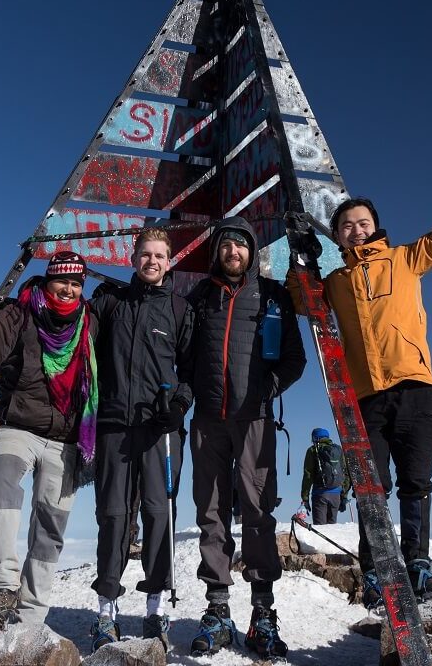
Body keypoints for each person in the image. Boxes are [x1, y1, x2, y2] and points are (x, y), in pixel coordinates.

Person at [287, 156, 432, 606]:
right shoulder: (335, 280)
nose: (355, 230)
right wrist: (302, 261)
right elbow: (304, 304)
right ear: (337, 234)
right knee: (372, 486)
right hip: (365, 396)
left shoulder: (404, 259)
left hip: (413, 387)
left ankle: (418, 562)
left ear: (375, 226)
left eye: (362, 222)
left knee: (416, 481)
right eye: (346, 225)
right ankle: (374, 570)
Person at [185, 217, 306, 659]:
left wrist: (269, 388)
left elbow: (295, 359)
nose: (232, 252)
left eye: (240, 246)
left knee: (258, 511)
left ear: (251, 253)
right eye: (226, 246)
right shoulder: (200, 299)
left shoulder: (271, 296)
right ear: (216, 252)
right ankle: (218, 609)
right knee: (211, 511)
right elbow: (182, 355)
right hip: (207, 421)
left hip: (254, 419)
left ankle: (262, 613)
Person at [0, 251, 99, 629]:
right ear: (48, 280)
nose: (68, 289)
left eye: (76, 283)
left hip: (67, 438)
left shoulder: (90, 323)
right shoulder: (19, 315)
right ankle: (2, 588)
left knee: (51, 524)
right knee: (3, 482)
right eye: (62, 281)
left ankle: (31, 614)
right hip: (17, 426)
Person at [88, 228, 194, 651]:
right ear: (133, 258)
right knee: (113, 515)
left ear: (169, 262)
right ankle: (105, 612)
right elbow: (83, 342)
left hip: (160, 430)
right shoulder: (112, 301)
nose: (152, 261)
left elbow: (191, 369)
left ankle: (155, 610)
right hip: (114, 424)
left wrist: (179, 404)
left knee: (158, 514)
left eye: (160, 255)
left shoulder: (179, 308)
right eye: (145, 254)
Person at [300, 427, 351, 525]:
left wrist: (305, 497)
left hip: (320, 494)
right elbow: (345, 473)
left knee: (321, 530)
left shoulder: (312, 450)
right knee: (332, 528)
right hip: (336, 495)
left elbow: (308, 475)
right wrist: (344, 496)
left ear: (315, 438)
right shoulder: (338, 450)